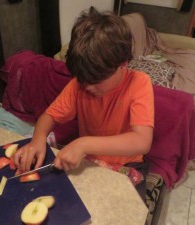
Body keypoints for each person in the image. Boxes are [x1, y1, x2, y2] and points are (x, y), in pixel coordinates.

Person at [14, 7, 154, 177]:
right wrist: (37, 139)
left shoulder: (140, 83)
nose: (87, 87)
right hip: (88, 161)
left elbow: (142, 141)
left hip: (127, 165)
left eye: (95, 81)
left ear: (122, 65)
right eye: (82, 80)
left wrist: (83, 144)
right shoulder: (78, 85)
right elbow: (48, 116)